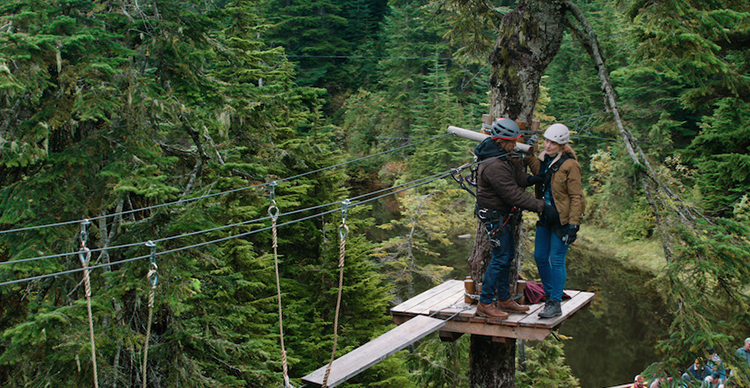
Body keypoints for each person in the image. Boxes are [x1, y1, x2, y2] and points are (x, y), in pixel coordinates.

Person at [473, 118, 551, 319]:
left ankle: (504, 299)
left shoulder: (499, 155)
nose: (515, 145)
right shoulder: (493, 164)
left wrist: (531, 179)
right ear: (501, 140)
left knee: (506, 257)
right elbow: (513, 195)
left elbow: (515, 178)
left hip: (500, 214)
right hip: (494, 216)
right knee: (500, 258)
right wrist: (542, 207)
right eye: (512, 142)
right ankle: (485, 303)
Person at [527, 123, 585, 318]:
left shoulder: (570, 165)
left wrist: (573, 226)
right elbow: (540, 172)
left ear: (561, 145)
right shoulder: (544, 158)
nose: (548, 145)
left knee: (556, 259)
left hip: (563, 220)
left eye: (553, 143)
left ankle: (555, 302)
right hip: (545, 216)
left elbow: (577, 196)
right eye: (546, 141)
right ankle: (551, 294)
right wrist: (528, 153)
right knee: (540, 256)